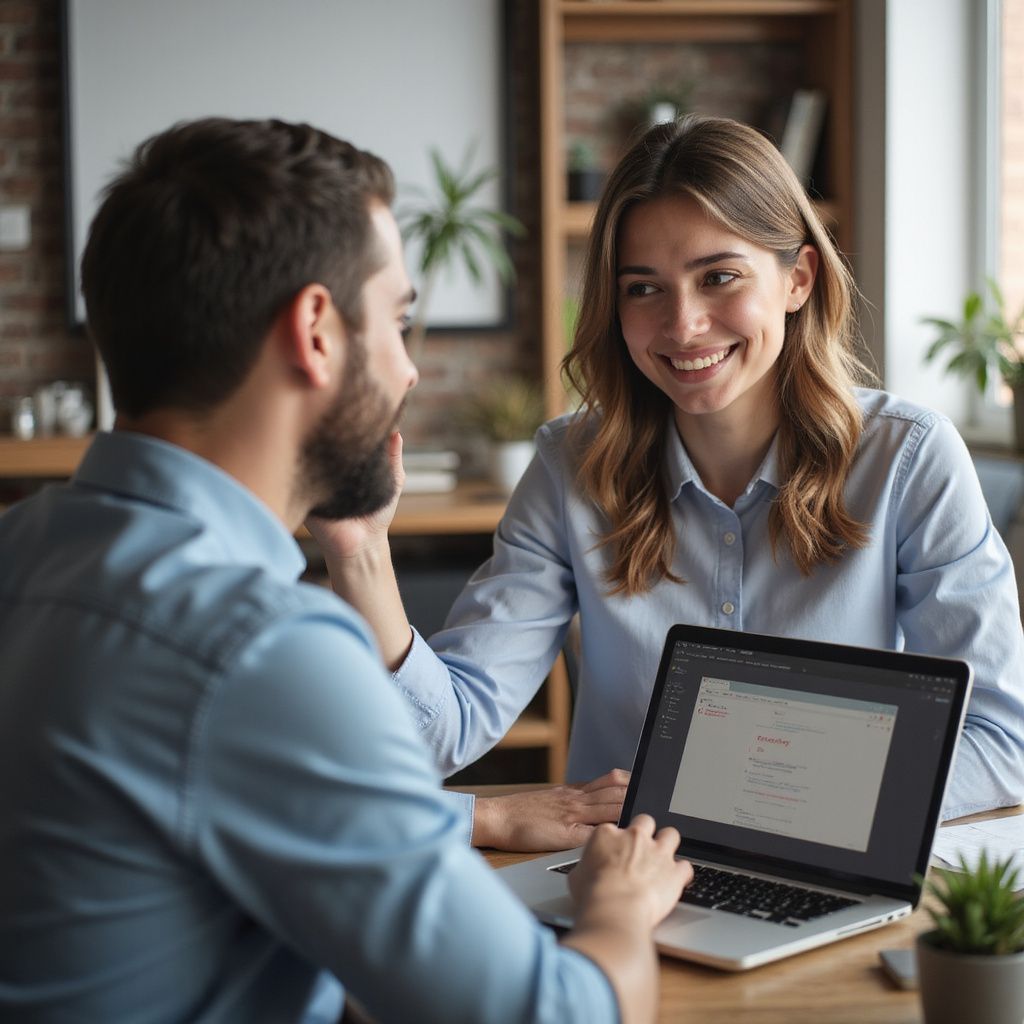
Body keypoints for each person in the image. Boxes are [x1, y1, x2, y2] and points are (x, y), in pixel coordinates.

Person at [0, 117, 693, 1024]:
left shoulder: (26, 545)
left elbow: (166, 804)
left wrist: (473, 819)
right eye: (399, 321)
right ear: (317, 332)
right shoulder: (261, 648)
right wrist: (619, 909)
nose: (408, 369)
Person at [315, 113, 1024, 826]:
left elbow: (1003, 743)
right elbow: (442, 732)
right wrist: (360, 550)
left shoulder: (908, 459)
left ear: (798, 279)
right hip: (616, 882)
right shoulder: (571, 467)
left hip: (829, 874)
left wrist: (762, 801)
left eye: (719, 277)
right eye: (644, 288)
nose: (683, 325)